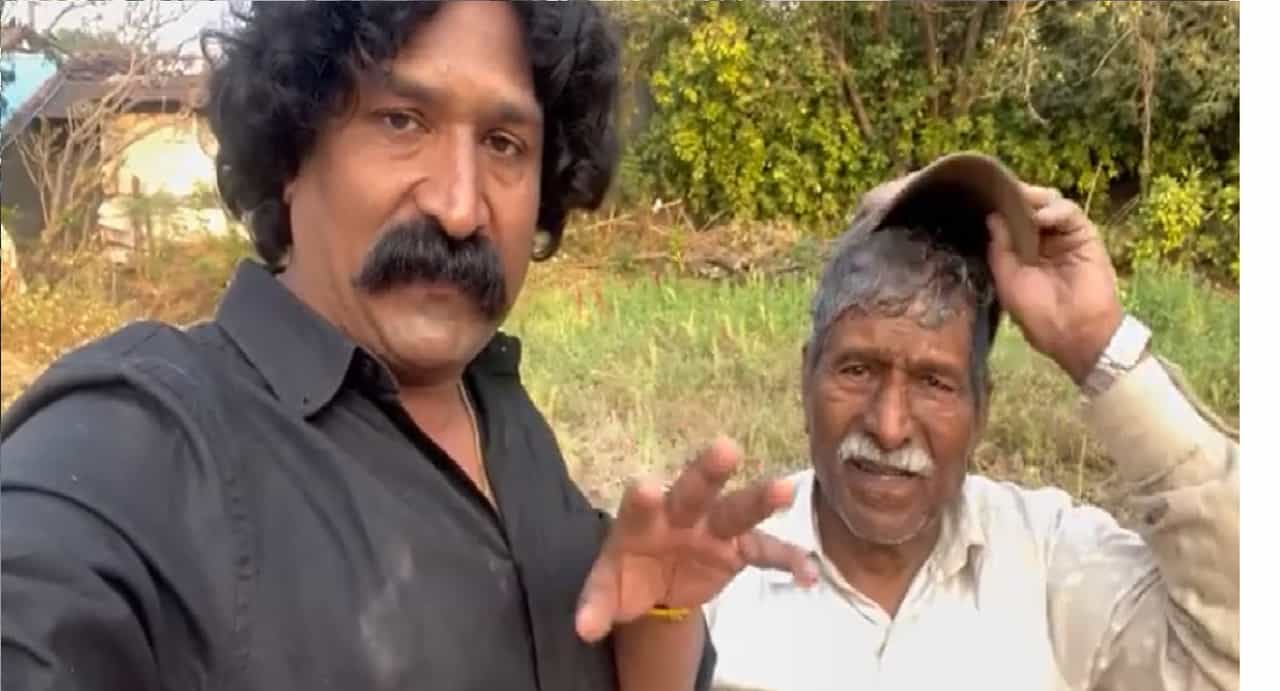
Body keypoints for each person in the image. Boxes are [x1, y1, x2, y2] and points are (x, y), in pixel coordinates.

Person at [0, 3, 815, 690]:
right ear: (291, 153)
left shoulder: (505, 418)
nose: (460, 207)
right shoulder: (140, 445)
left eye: (503, 143)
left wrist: (661, 614)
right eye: (401, 121)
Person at [703, 153, 1239, 691]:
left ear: (981, 409)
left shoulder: (1050, 565)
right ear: (807, 380)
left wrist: (1100, 346)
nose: (888, 427)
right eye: (857, 370)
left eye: (934, 382)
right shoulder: (714, 575)